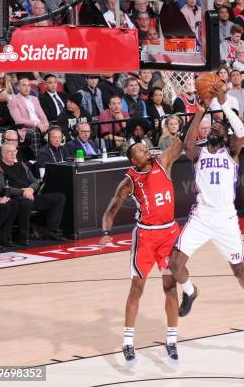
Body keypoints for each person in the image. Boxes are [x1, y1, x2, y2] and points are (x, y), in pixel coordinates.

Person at [170, 82, 244, 336]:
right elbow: (187, 143)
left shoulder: (232, 152)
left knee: (239, 270)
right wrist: (201, 110)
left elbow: (240, 131)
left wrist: (224, 104)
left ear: (224, 135)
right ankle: (190, 291)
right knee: (174, 265)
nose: (215, 128)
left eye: (218, 127)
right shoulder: (198, 154)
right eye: (212, 127)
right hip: (202, 216)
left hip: (225, 218)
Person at [99, 110, 186, 366]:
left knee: (171, 287)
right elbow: (111, 209)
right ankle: (128, 343)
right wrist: (106, 232)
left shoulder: (163, 162)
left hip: (169, 233)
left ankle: (171, 341)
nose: (146, 150)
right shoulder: (130, 180)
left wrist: (199, 112)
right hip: (146, 237)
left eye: (146, 147)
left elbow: (182, 141)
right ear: (133, 160)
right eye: (139, 150)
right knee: (137, 288)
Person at [0, 143, 66, 245]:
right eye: (10, 152)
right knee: (25, 202)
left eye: (15, 151)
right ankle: (23, 236)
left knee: (59, 198)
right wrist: (22, 192)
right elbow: (1, 188)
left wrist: (30, 189)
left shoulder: (22, 165)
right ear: (3, 153)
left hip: (29, 195)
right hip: (13, 199)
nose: (13, 154)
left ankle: (51, 231)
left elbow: (35, 182)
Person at [7, 77, 49, 159]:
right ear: (18, 87)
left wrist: (46, 124)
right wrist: (37, 124)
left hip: (40, 125)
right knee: (35, 132)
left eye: (29, 85)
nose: (27, 88)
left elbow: (42, 115)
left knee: (55, 129)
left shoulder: (35, 99)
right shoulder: (13, 100)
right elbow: (18, 120)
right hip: (25, 128)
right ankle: (39, 159)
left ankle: (52, 157)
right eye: (24, 85)